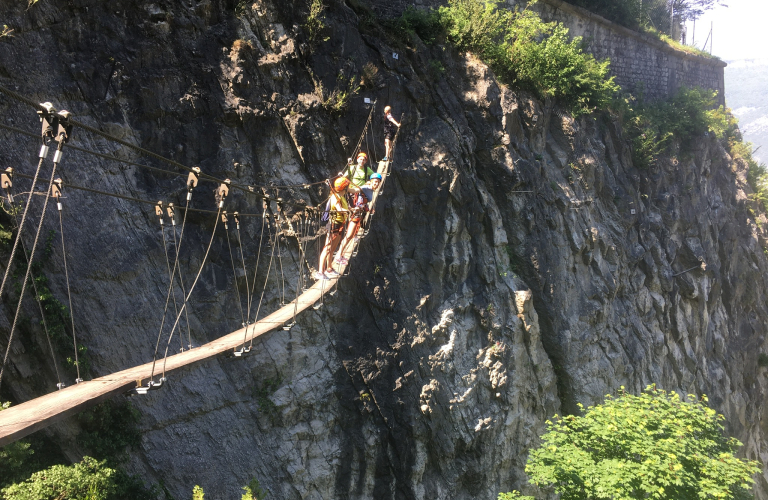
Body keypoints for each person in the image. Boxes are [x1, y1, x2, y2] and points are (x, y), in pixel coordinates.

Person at [335, 173, 382, 265]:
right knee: (348, 236)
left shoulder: (370, 189)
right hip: (356, 214)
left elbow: (363, 200)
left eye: (378, 183)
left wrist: (367, 207)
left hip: (359, 213)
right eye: (375, 182)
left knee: (350, 236)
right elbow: (353, 190)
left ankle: (340, 255)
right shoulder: (366, 187)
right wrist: (344, 181)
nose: (377, 184)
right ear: (371, 181)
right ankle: (338, 256)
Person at [316, 177, 351, 280]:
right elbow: (339, 210)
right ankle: (320, 272)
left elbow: (343, 209)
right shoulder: (335, 197)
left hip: (339, 224)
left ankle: (329, 268)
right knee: (327, 248)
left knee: (332, 248)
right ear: (345, 187)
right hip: (333, 225)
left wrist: (350, 209)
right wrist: (349, 211)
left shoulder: (341, 196)